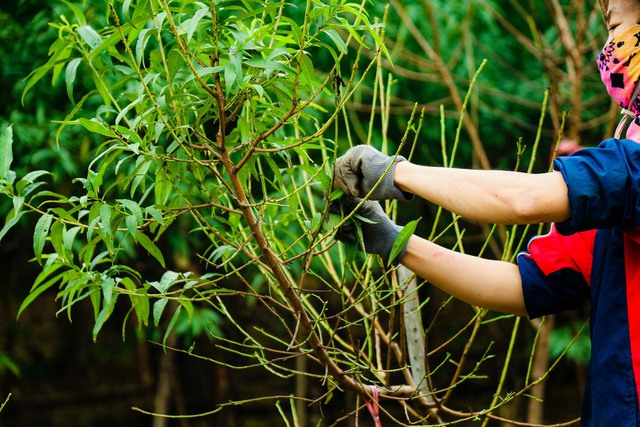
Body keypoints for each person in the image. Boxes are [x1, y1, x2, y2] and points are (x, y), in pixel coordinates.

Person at [331, 0, 640, 424]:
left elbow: (521, 201)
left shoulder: (629, 170)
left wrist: (397, 173)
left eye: (615, 27)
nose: (608, 49)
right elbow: (523, 284)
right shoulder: (620, 195)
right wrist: (393, 242)